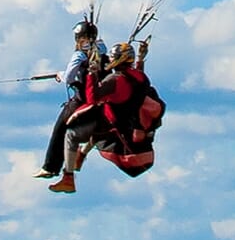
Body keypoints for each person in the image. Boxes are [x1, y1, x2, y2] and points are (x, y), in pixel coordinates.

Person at [49, 37, 158, 193]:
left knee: (72, 134)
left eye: (112, 58)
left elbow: (93, 98)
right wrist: (141, 58)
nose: (109, 60)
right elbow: (138, 76)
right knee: (96, 124)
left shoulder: (114, 80)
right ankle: (81, 155)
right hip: (127, 122)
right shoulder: (139, 77)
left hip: (113, 124)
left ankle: (68, 178)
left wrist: (92, 74)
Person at [34, 19, 106, 179]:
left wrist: (59, 75)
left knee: (60, 129)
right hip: (102, 98)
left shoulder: (79, 55)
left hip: (82, 100)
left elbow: (69, 78)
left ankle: (50, 167)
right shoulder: (103, 49)